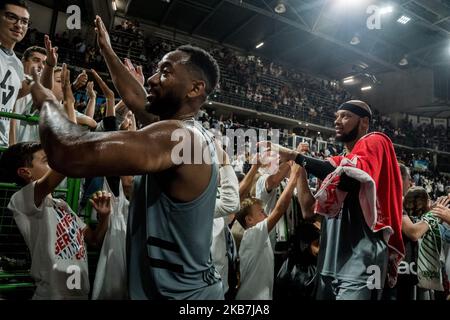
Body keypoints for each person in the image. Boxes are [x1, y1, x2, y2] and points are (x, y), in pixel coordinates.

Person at [29, 15, 223, 299]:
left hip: (181, 297)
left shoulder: (176, 137)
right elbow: (137, 98)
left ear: (195, 88)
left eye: (166, 72)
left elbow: (68, 152)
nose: (154, 79)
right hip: (190, 290)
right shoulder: (190, 132)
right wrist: (107, 51)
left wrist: (46, 100)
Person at [262, 100, 405, 300]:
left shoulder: (376, 141)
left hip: (362, 261)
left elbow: (350, 179)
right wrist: (299, 168)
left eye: (345, 116)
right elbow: (308, 211)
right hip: (329, 260)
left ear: (364, 122)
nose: (337, 121)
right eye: (337, 116)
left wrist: (296, 156)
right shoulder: (335, 164)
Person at [1, 142, 111, 299]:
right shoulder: (21, 199)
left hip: (79, 293)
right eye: (47, 161)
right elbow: (50, 179)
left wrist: (104, 217)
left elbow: (94, 239)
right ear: (25, 172)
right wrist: (72, 149)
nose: (54, 164)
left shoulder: (63, 205)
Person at [235, 163, 301, 300]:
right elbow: (279, 209)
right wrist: (294, 176)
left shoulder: (257, 236)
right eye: (261, 212)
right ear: (249, 219)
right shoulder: (252, 234)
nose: (265, 215)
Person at [0, 0, 30, 146]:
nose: (19, 25)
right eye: (11, 17)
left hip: (2, 143)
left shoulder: (18, 64)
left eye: (24, 21)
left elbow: (12, 100)